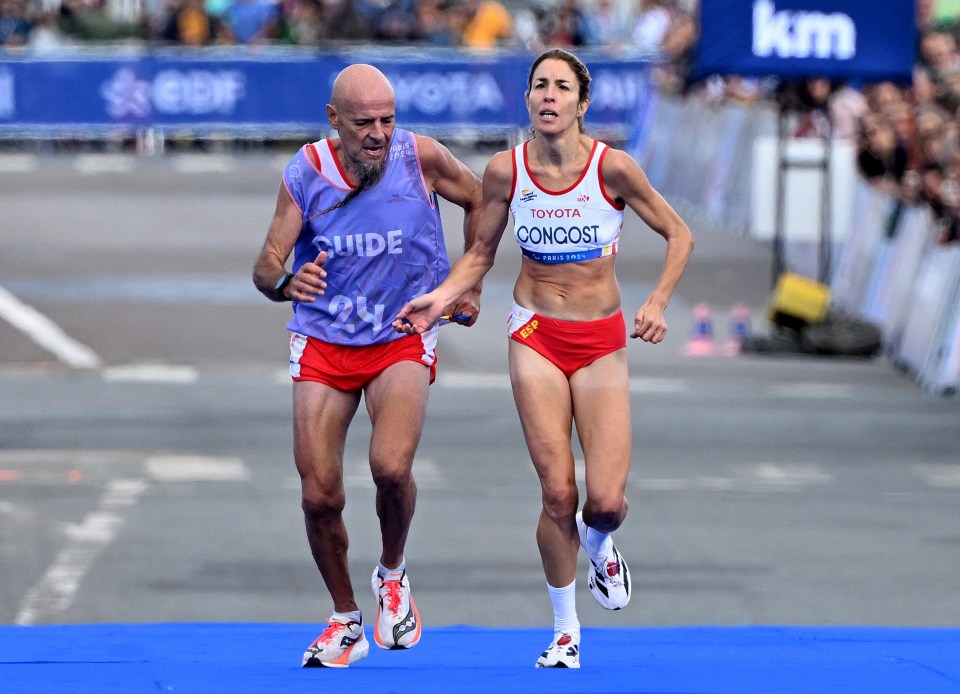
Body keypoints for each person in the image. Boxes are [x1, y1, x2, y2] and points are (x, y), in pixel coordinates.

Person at [394, 48, 693, 668]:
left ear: (581, 104)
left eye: (561, 87)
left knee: (603, 501)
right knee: (558, 493)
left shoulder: (615, 170)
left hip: (601, 339)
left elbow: (678, 233)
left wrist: (659, 301)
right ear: (528, 101)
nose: (548, 96)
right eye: (539, 86)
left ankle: (601, 543)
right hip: (535, 334)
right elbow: (482, 253)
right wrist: (440, 298)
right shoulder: (506, 171)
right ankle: (565, 630)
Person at [252, 63, 482, 668]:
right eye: (363, 123)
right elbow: (266, 262)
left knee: (389, 465)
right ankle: (345, 617)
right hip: (324, 338)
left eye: (387, 119)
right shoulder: (305, 172)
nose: (378, 134)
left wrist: (465, 285)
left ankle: (393, 574)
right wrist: (285, 281)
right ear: (334, 120)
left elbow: (484, 201)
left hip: (401, 330)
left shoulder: (422, 158)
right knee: (320, 494)